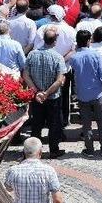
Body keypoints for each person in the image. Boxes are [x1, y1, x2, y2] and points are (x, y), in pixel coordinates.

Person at [23, 27, 67, 159]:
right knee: (54, 124)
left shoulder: (32, 54)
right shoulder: (58, 57)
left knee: (36, 124)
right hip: (52, 96)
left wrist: (37, 92)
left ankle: (33, 151)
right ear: (55, 41)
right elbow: (60, 80)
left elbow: (25, 75)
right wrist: (46, 93)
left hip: (37, 96)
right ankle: (54, 150)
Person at [67, 30, 102, 157]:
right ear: (88, 41)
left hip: (82, 94)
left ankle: (89, 149)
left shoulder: (74, 58)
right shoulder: (96, 55)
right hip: (97, 92)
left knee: (86, 124)